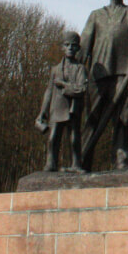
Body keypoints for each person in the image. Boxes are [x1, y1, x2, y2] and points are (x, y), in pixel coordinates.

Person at [78, 0, 128, 170]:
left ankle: (121, 159)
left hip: (124, 75)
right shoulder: (96, 15)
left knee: (122, 119)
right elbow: (83, 48)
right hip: (99, 74)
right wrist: (77, 75)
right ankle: (81, 160)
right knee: (92, 117)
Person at [36, 31, 88, 173]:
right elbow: (49, 92)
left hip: (73, 108)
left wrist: (64, 86)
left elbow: (81, 88)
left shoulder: (80, 69)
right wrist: (43, 112)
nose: (70, 48)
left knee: (74, 139)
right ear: (62, 47)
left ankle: (76, 164)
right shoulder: (55, 69)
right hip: (57, 107)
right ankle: (51, 163)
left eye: (73, 45)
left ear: (78, 48)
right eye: (67, 45)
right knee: (53, 138)